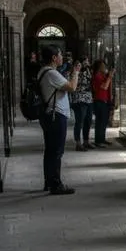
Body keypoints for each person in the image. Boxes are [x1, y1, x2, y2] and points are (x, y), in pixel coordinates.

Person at [37, 45, 81, 195]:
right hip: (56, 115)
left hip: (50, 115)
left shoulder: (45, 71)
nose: (62, 57)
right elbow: (72, 87)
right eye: (61, 55)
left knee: (50, 150)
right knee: (56, 151)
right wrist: (75, 73)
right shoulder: (51, 74)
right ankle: (56, 184)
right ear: (54, 58)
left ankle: (48, 181)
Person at [71, 56, 93, 151]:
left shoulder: (87, 71)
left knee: (88, 120)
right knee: (80, 121)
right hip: (79, 99)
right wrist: (77, 71)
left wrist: (88, 69)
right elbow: (73, 85)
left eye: (87, 61)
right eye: (84, 61)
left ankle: (86, 141)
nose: (86, 63)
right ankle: (78, 143)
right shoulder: (74, 73)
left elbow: (91, 81)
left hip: (88, 98)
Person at [92, 58, 115, 147]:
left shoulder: (103, 75)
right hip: (99, 100)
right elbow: (105, 86)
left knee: (104, 121)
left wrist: (110, 76)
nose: (104, 67)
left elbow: (109, 86)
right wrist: (109, 76)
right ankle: (98, 141)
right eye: (103, 65)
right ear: (99, 67)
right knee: (100, 122)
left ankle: (102, 139)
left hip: (106, 100)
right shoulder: (97, 76)